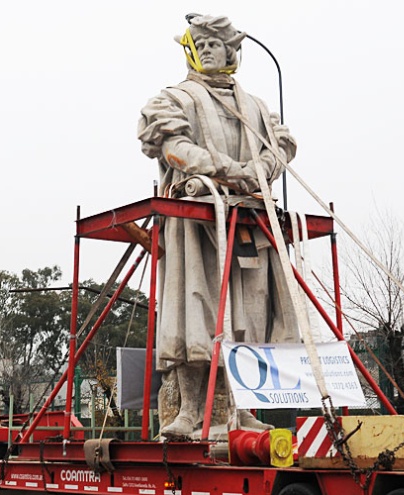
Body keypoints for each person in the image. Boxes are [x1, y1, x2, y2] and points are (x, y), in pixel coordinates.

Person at [137, 14, 299, 438]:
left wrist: (258, 170)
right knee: (195, 311)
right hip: (195, 222)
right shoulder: (175, 98)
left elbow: (282, 146)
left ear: (231, 51)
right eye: (201, 43)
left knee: (247, 316)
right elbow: (173, 146)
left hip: (247, 222)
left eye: (216, 43)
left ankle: (238, 411)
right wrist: (229, 170)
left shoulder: (257, 107)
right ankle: (191, 411)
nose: (208, 49)